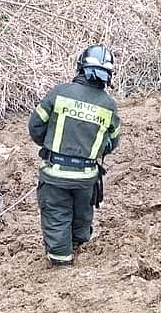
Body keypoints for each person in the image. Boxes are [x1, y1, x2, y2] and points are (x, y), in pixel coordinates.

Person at [28, 45, 121, 267]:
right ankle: (82, 256)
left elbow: (35, 127)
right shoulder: (109, 106)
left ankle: (62, 267)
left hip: (54, 174)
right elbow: (111, 142)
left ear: (81, 67)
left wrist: (52, 146)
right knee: (82, 217)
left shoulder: (59, 92)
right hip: (87, 178)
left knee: (57, 216)